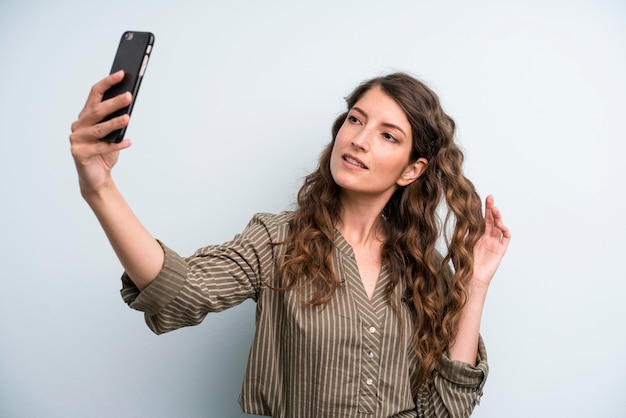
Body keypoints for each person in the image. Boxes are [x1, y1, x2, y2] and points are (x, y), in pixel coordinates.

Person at [70, 70, 510, 418]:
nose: (358, 139)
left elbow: (447, 409)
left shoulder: (424, 267)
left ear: (411, 171)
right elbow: (181, 290)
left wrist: (476, 285)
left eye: (387, 135)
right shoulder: (278, 240)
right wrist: (100, 188)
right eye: (356, 119)